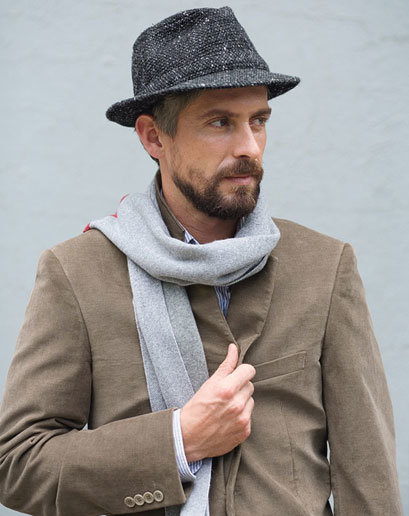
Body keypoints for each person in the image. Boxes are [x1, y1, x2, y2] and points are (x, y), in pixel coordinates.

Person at [0, 6, 402, 516]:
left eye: (259, 121)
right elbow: (17, 463)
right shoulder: (78, 273)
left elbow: (368, 478)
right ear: (153, 137)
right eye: (220, 123)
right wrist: (177, 440)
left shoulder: (324, 267)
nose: (249, 146)